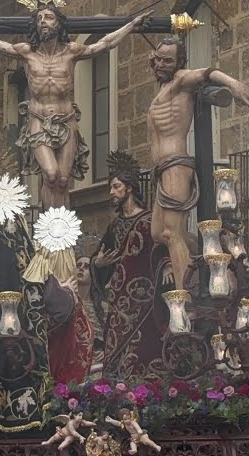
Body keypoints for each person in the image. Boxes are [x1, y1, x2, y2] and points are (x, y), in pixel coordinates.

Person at [0, 1, 151, 208]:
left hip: (66, 120)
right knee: (50, 175)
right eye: (39, 18)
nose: (43, 22)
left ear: (58, 24)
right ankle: (49, 229)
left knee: (62, 181)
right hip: (39, 120)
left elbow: (105, 44)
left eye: (49, 18)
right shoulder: (27, 52)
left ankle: (61, 235)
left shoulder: (71, 51)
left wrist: (131, 25)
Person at [146, 37, 249, 291]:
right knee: (157, 232)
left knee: (172, 234)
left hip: (175, 165)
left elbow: (208, 72)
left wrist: (234, 84)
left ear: (179, 62)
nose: (161, 64)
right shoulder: (163, 87)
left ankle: (184, 299)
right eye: (158, 58)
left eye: (168, 60)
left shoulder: (182, 80)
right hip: (162, 170)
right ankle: (215, 255)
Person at [90, 151, 172, 381]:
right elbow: (100, 256)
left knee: (145, 347)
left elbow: (162, 245)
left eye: (116, 187)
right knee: (116, 349)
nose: (111, 193)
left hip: (146, 298)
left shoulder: (148, 220)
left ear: (129, 188)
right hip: (119, 301)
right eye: (110, 188)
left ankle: (149, 390)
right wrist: (98, 263)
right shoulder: (115, 225)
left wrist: (166, 265)